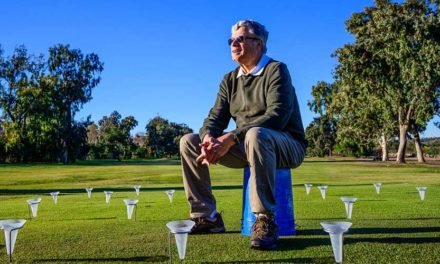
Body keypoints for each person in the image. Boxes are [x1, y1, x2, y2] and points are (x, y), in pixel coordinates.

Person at [180, 19, 306, 250]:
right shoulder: (229, 79)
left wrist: (230, 138)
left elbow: (276, 116)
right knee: (189, 141)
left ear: (259, 43)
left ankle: (264, 220)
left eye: (241, 39)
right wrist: (209, 138)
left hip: (286, 145)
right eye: (231, 40)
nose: (234, 44)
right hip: (248, 146)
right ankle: (207, 217)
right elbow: (214, 119)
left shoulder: (276, 70)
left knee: (256, 134)